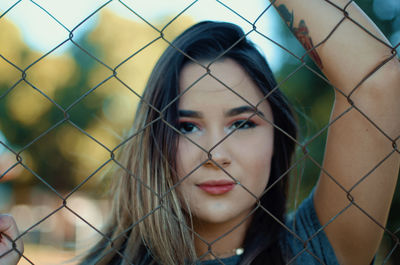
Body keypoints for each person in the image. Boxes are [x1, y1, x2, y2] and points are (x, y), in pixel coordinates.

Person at [1, 1, 399, 264]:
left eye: (242, 123)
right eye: (187, 126)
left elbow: (378, 82)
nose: (215, 152)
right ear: (154, 142)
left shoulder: (311, 253)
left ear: (278, 137)